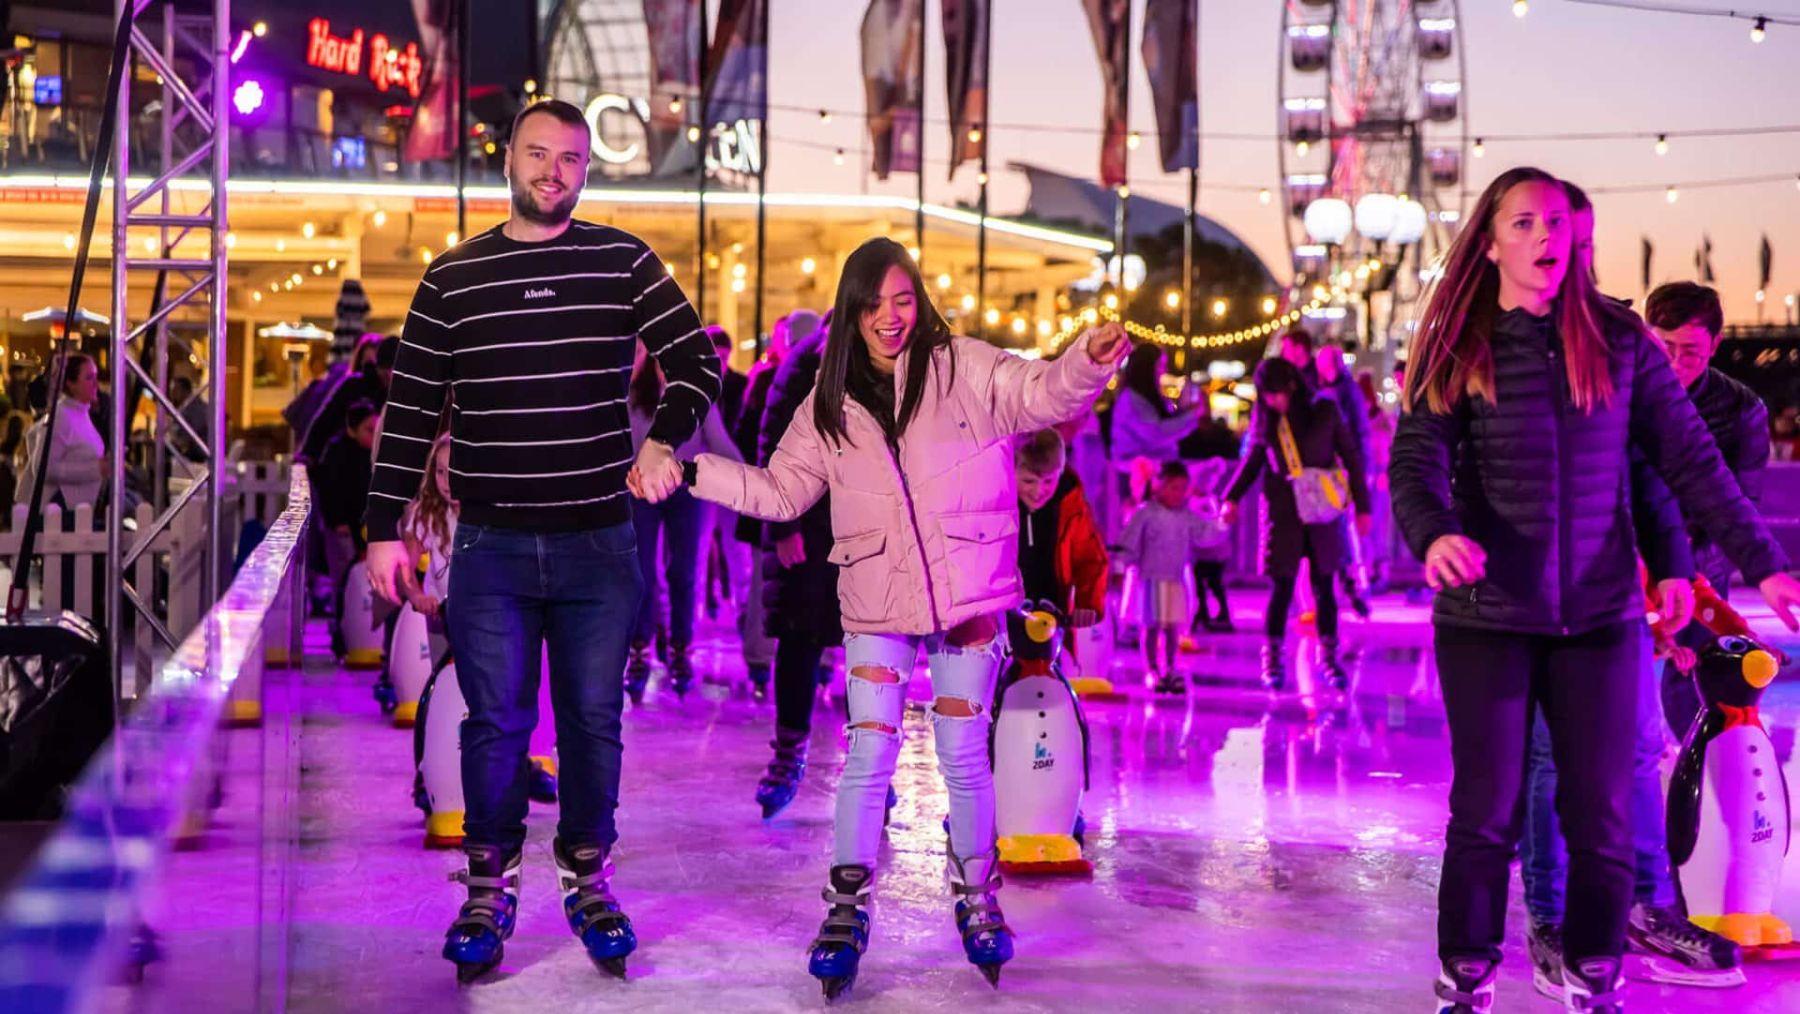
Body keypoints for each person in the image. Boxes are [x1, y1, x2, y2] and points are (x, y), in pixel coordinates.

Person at [1388, 166, 1800, 1014]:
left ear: (1575, 237)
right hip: (1488, 615)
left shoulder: (1616, 341)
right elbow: (1414, 459)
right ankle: (1467, 969)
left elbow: (1684, 460)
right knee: (1488, 809)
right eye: (1523, 222)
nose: (1545, 236)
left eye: (1555, 223)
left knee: (1604, 809)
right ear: (1492, 240)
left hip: (1601, 614)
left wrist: (1761, 563)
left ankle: (1594, 969)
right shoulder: (1459, 342)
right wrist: (1434, 535)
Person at [683, 236, 1128, 995]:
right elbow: (780, 493)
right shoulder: (828, 403)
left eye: (902, 300)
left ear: (918, 301)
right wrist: (692, 471)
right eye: (873, 304)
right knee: (868, 755)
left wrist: (1085, 359)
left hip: (968, 599)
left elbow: (1043, 394)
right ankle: (847, 904)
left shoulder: (968, 369)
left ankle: (977, 894)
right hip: (878, 601)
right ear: (850, 312)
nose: (890, 317)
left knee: (961, 757)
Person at [361, 98, 720, 984]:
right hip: (493, 547)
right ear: (509, 161)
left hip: (600, 544)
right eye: (538, 154)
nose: (553, 171)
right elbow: (409, 415)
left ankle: (590, 879)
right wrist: (381, 530)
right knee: (495, 726)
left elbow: (698, 359)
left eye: (570, 158)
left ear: (586, 170)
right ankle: (488, 890)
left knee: (595, 724)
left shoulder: (622, 259)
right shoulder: (453, 280)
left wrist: (665, 436)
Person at [1518, 195, 1747, 998]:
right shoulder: (1540, 351)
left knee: (1640, 752)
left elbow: (1677, 494)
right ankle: (1548, 920)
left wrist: (1685, 594)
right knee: (1551, 761)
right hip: (1543, 599)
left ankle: (1647, 908)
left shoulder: (1644, 372)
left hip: (1631, 603)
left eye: (1574, 237)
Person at [1643, 281, 1771, 736]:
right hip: (1622, 563)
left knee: (1693, 677)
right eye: (1664, 348)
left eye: (1691, 352)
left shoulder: (1740, 410)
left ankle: (1695, 775)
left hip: (1699, 564)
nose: (1675, 365)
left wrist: (1683, 574)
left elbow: (1739, 508)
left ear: (1715, 345)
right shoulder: (1620, 394)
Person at [1221, 357, 1371, 691]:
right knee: (1282, 589)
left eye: (1274, 393)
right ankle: (1272, 658)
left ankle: (1330, 658)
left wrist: (1363, 507)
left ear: (1290, 385)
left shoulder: (1324, 411)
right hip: (1283, 514)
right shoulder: (1267, 421)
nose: (1271, 401)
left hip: (1320, 513)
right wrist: (1231, 498)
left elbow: (1351, 456)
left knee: (1325, 587)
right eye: (1265, 395)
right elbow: (1254, 460)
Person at [749, 311, 846, 818]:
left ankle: (871, 765)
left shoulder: (894, 362)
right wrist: (784, 524)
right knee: (799, 638)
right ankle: (788, 757)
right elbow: (770, 441)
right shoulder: (808, 359)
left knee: (872, 645)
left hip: (868, 524)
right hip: (808, 524)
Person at [625, 344, 741, 697]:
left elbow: (720, 443)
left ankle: (680, 648)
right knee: (643, 571)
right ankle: (641, 649)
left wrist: (754, 481)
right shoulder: (635, 394)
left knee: (684, 572)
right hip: (642, 492)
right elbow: (622, 443)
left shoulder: (694, 395)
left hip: (687, 493)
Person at [733, 309, 821, 690]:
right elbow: (764, 441)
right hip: (781, 504)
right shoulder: (785, 381)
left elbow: (748, 435)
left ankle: (761, 658)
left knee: (767, 587)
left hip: (770, 501)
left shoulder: (769, 380)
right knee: (774, 588)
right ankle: (766, 658)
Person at [1119, 459, 1229, 693]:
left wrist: (1221, 525)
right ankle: (1151, 669)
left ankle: (1169, 667)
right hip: (1150, 579)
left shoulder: (1185, 516)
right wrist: (1122, 565)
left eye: (1182, 488)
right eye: (1174, 488)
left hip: (1175, 579)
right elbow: (1129, 541)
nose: (1179, 494)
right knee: (1151, 626)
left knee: (1172, 628)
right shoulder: (1145, 514)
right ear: (1159, 486)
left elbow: (1204, 534)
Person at [1014, 427, 1108, 627]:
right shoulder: (997, 507)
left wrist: (1088, 602)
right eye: (1028, 481)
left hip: (1053, 619)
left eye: (1049, 481)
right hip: (1003, 621)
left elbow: (1090, 558)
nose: (1039, 491)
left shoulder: (1070, 505)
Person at [19, 352, 105, 511]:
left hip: (81, 512)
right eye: (89, 377)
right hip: (61, 512)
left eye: (95, 377)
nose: (95, 383)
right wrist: (95, 469)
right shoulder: (61, 417)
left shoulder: (82, 415)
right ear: (71, 384)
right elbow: (44, 468)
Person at [301, 334, 396, 464]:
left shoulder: (390, 390)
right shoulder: (354, 386)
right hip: (351, 461)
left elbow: (325, 419)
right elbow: (326, 420)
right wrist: (308, 454)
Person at [1188, 456, 1234, 633]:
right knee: (1207, 583)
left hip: (1212, 553)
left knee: (1207, 582)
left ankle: (1210, 613)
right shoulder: (1205, 501)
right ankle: (1207, 613)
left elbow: (1208, 526)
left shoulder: (1204, 503)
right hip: (1208, 552)